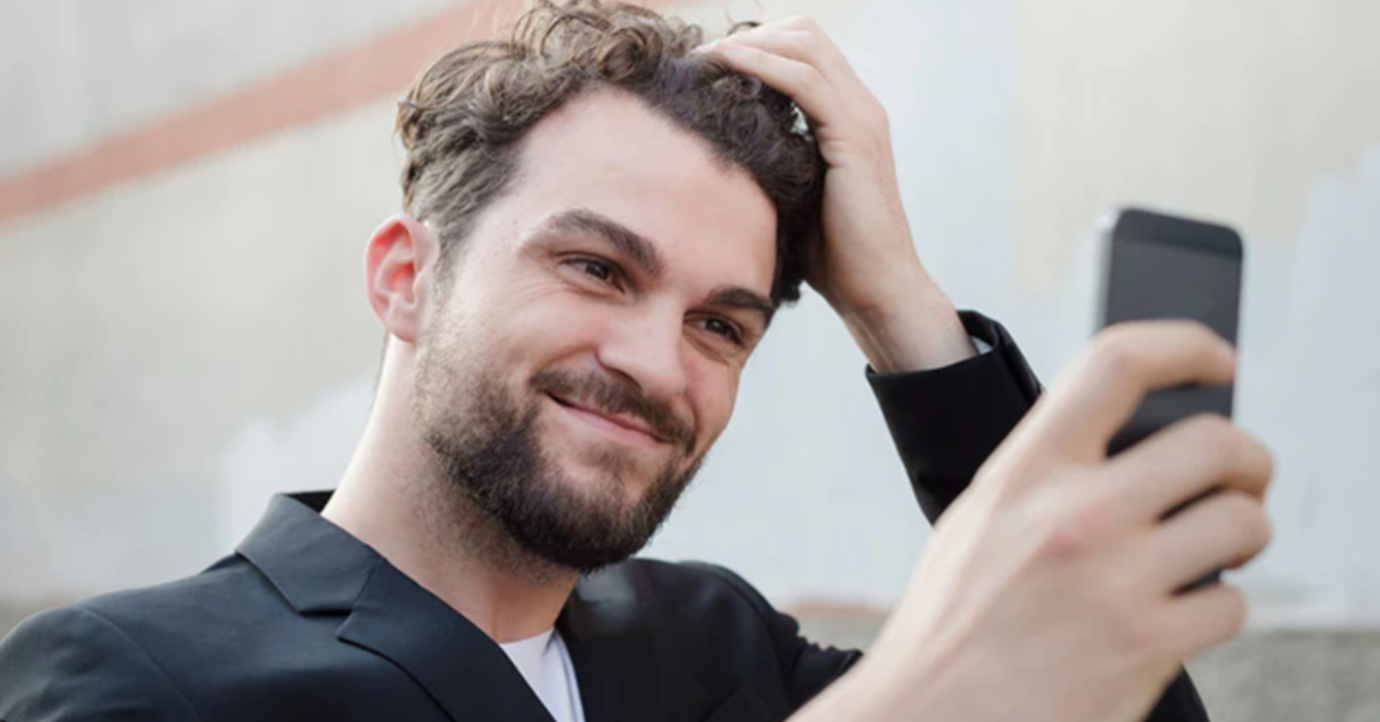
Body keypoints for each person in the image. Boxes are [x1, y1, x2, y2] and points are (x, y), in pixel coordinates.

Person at [0, 3, 1273, 721]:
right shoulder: (127, 676)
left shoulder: (719, 644)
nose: (656, 363)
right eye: (597, 267)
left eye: (721, 323)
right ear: (405, 277)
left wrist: (899, 308)